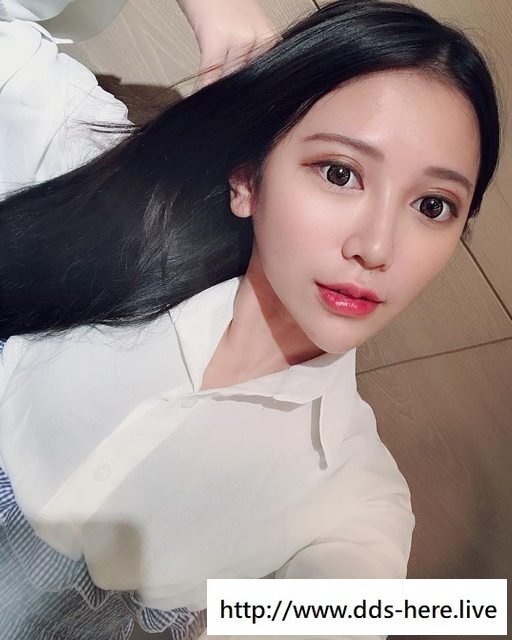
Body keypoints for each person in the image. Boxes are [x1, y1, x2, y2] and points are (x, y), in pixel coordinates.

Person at [0, 0, 500, 639]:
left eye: (433, 206)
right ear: (247, 179)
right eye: (340, 172)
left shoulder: (353, 499)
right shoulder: (101, 185)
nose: (376, 247)